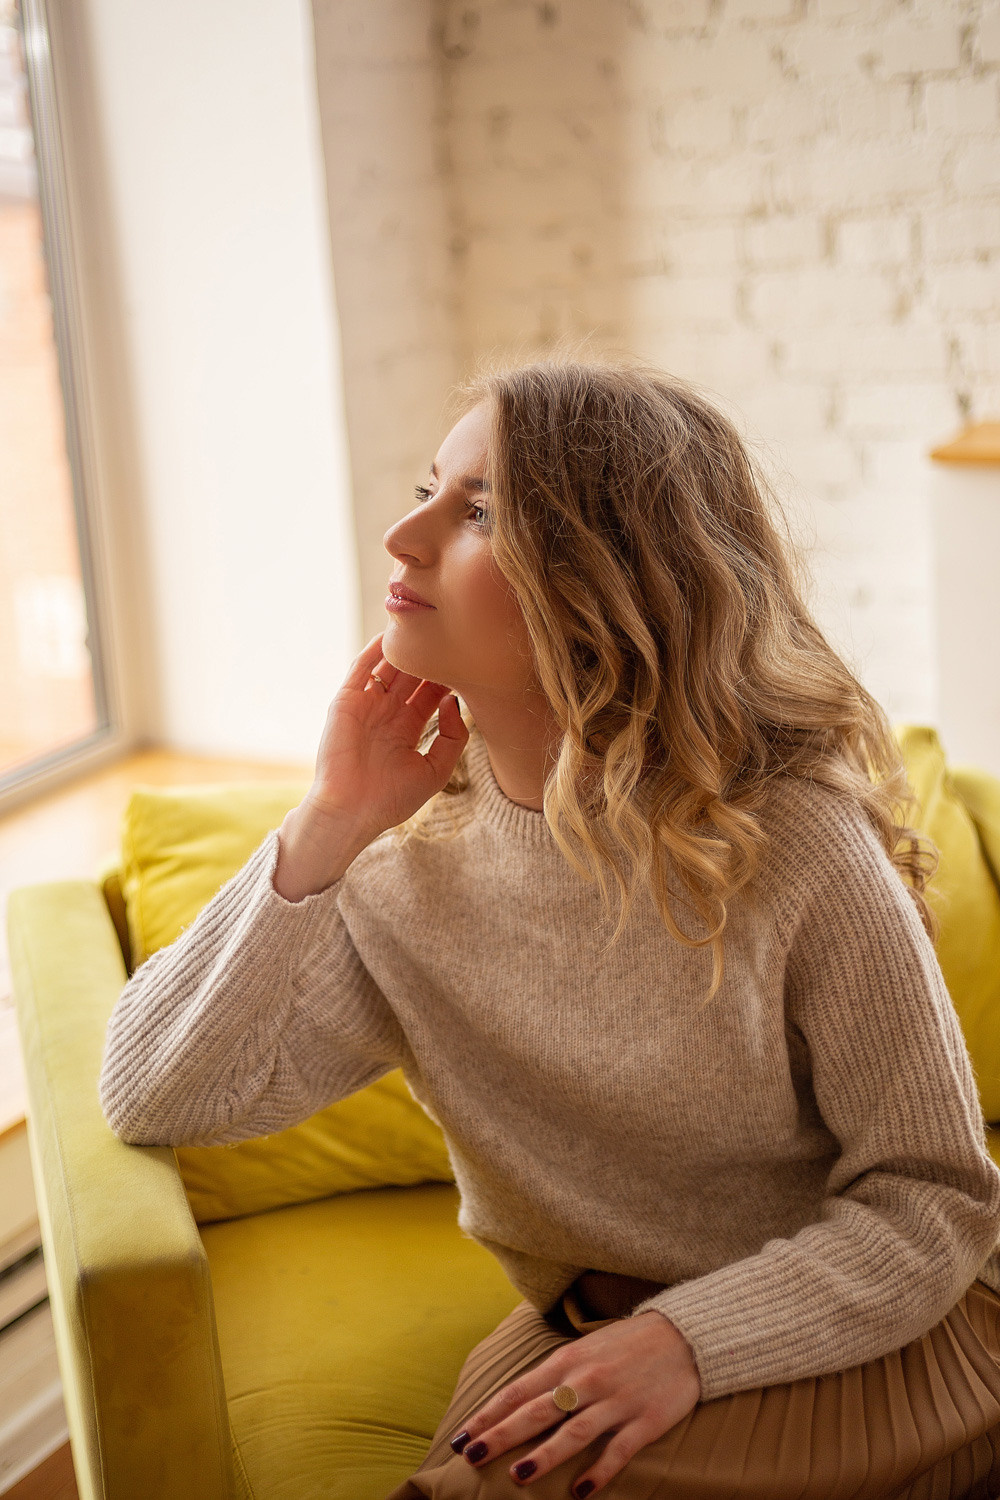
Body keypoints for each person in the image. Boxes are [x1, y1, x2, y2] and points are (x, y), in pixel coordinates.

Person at [99, 356, 1000, 1499]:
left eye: (476, 512)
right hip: (595, 1332)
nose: (403, 536)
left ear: (606, 581)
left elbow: (936, 1200)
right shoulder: (397, 855)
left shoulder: (791, 838)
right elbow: (157, 1094)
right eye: (426, 487)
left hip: (862, 1332)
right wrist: (325, 825)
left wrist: (691, 1344)